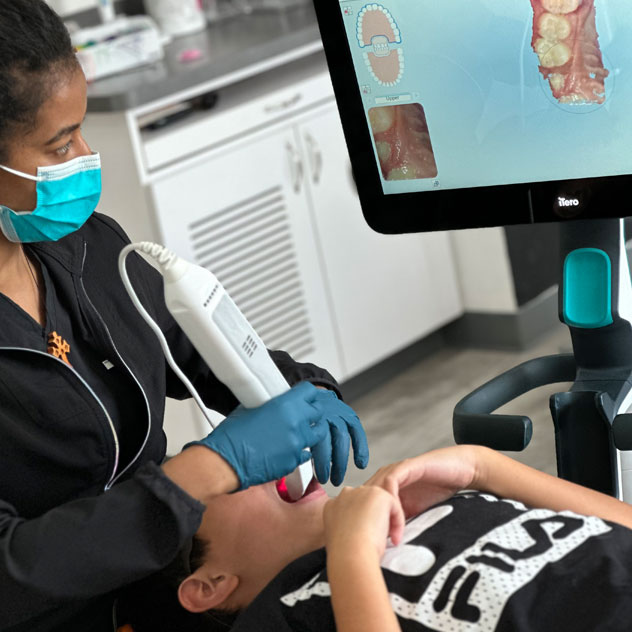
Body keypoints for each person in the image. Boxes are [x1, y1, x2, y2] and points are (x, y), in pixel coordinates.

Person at [0, 2, 368, 630]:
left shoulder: (87, 248)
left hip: (155, 586)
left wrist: (301, 390)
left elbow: (195, 350)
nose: (85, 156)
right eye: (61, 144)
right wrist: (207, 471)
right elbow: (11, 575)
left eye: (81, 132)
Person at [119, 444, 632, 631]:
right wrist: (352, 554)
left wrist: (480, 467)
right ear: (209, 584)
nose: (260, 466)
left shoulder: (416, 513)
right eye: (228, 480)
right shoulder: (285, 613)